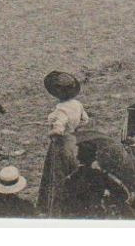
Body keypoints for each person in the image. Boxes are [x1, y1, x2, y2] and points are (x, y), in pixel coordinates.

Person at [37, 71, 90, 215]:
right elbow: (85, 120)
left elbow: (58, 130)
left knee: (57, 176)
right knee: (74, 170)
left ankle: (54, 209)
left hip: (61, 145)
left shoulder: (61, 110)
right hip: (74, 140)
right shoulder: (77, 104)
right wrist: (75, 127)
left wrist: (51, 134)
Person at [58, 138, 134, 218]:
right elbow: (123, 193)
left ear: (79, 158)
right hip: (97, 216)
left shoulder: (73, 176)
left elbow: (65, 198)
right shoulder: (100, 174)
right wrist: (107, 195)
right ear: (94, 158)